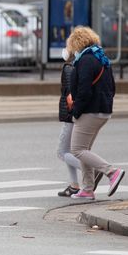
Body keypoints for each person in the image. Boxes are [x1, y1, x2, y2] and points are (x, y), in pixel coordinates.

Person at [66, 26, 124, 200]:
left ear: (77, 43)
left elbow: (84, 91)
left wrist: (76, 112)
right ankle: (88, 189)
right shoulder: (101, 57)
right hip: (103, 110)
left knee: (76, 149)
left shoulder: (85, 61)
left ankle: (111, 172)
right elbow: (112, 87)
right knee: (85, 149)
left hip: (90, 110)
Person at [56, 46, 81, 197]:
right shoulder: (78, 65)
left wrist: (69, 113)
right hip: (75, 113)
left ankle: (91, 170)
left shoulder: (69, 67)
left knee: (61, 152)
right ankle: (74, 185)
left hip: (70, 114)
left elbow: (70, 93)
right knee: (69, 151)